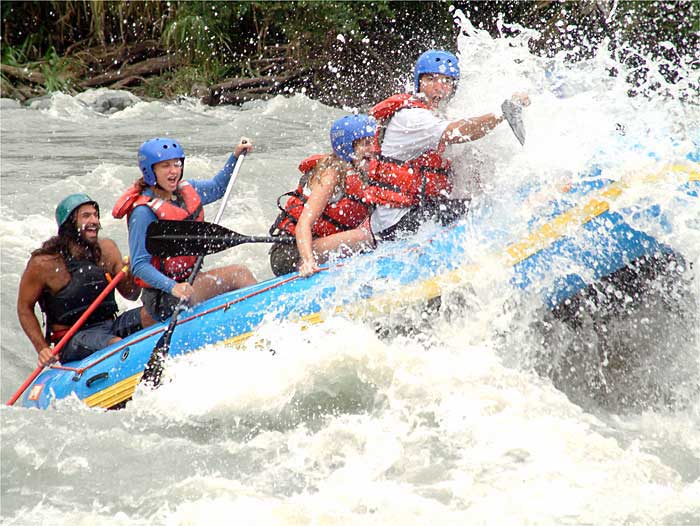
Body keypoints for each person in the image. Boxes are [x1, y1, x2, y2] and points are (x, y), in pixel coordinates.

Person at [364, 49, 531, 242]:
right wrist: (502, 112)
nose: (439, 87)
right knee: (485, 209)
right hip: (397, 222)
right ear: (418, 83)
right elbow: (460, 132)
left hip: (418, 209)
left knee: (481, 180)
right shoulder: (412, 117)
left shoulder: (439, 114)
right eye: (431, 79)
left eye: (446, 81)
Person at [112, 137, 257, 325]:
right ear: (150, 170)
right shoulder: (143, 212)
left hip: (190, 280)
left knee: (239, 274)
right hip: (163, 295)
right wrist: (173, 287)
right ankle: (259, 324)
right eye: (165, 166)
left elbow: (218, 188)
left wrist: (235, 156)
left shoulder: (186, 190)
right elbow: (139, 265)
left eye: (177, 164)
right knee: (240, 274)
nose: (174, 171)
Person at [17, 194, 142, 367]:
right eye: (86, 216)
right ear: (69, 224)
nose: (95, 221)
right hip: (72, 339)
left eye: (96, 215)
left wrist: (133, 274)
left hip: (111, 325)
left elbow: (132, 295)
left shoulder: (107, 249)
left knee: (153, 314)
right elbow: (24, 307)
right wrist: (42, 348)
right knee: (116, 344)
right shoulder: (44, 264)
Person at [268, 114, 377, 277]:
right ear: (348, 147)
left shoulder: (362, 172)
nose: (373, 149)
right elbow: (303, 224)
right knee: (366, 236)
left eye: (373, 142)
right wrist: (308, 261)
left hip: (320, 243)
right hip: (291, 252)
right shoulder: (331, 175)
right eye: (366, 144)